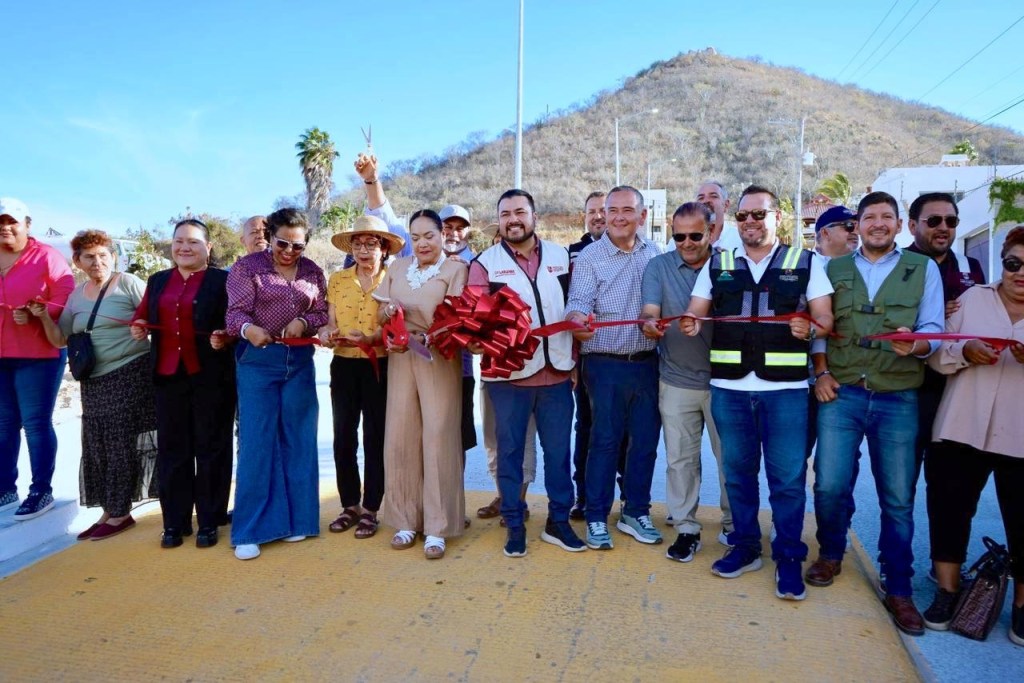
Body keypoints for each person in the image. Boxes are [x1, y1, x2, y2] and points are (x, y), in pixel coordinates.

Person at [682, 184, 833, 601]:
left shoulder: (806, 262)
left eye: (759, 214)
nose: (750, 222)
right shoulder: (718, 263)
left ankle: (789, 556)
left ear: (777, 217)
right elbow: (697, 309)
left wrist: (811, 327)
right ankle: (746, 546)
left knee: (787, 480)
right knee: (737, 475)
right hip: (729, 390)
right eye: (743, 216)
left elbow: (825, 318)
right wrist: (692, 322)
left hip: (786, 392)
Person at [809, 191, 943, 635]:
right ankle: (831, 553)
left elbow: (934, 327)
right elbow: (821, 328)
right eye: (869, 217)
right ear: (858, 226)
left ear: (900, 225)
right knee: (829, 485)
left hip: (897, 395)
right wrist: (821, 372)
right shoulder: (833, 269)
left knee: (898, 497)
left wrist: (917, 344)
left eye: (887, 216)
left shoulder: (922, 269)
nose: (878, 224)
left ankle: (898, 586)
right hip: (843, 392)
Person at [920, 225, 1024, 642]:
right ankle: (947, 592)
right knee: (949, 510)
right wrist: (964, 351)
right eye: (1013, 263)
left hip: (1019, 433)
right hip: (962, 425)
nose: (1020, 273)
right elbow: (937, 353)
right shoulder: (971, 299)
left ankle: (1022, 606)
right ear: (1002, 263)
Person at [470, 189, 584, 556]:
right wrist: (478, 339)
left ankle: (558, 522)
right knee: (510, 455)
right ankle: (514, 524)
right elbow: (475, 321)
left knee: (559, 454)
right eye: (505, 214)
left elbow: (575, 307)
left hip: (557, 374)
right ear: (498, 221)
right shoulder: (484, 264)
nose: (513, 220)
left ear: (535, 216)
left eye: (520, 212)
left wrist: (575, 360)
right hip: (508, 380)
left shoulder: (562, 256)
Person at [30, 230, 157, 540]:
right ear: (78, 261)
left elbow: (154, 317)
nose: (97, 261)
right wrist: (44, 317)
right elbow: (60, 339)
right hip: (93, 380)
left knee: (119, 442)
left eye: (103, 255)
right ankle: (109, 511)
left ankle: (121, 512)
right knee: (97, 445)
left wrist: (142, 326)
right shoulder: (76, 296)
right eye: (89, 257)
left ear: (113, 257)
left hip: (130, 372)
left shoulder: (128, 283)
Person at [224, 208, 328, 560]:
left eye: (297, 246)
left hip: (299, 362)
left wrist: (304, 321)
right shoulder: (246, 268)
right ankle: (251, 530)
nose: (289, 251)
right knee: (257, 440)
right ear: (269, 237)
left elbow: (321, 311)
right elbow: (235, 313)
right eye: (282, 243)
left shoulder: (313, 271)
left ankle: (299, 521)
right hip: (257, 361)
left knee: (299, 438)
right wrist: (248, 330)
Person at [566, 185, 663, 550]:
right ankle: (596, 516)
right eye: (612, 211)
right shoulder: (590, 257)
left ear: (642, 216)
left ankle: (635, 511)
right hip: (603, 365)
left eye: (627, 210)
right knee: (604, 442)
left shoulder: (655, 254)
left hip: (646, 363)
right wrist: (577, 321)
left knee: (645, 443)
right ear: (603, 215)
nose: (619, 217)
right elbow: (577, 303)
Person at [129, 219, 235, 549]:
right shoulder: (158, 280)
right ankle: (174, 523)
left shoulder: (224, 280)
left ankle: (210, 520)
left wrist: (225, 336)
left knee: (211, 448)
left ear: (208, 248)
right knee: (173, 451)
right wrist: (139, 325)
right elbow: (143, 315)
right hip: (168, 376)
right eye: (179, 241)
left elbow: (236, 321)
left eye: (193, 242)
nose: (184, 247)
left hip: (211, 377)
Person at [641, 203, 731, 563]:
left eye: (695, 235)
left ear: (712, 231)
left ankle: (734, 524)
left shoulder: (731, 266)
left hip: (727, 382)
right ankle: (686, 528)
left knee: (730, 459)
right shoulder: (658, 266)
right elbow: (649, 312)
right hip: (676, 380)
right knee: (680, 460)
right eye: (679, 236)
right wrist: (649, 325)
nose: (687, 243)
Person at [375, 209, 467, 560]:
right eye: (415, 237)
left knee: (438, 436)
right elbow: (379, 312)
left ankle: (438, 527)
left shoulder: (456, 269)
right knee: (400, 435)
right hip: (400, 355)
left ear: (443, 235)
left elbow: (458, 319)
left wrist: (433, 337)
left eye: (429, 235)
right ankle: (404, 520)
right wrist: (388, 315)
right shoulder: (397, 267)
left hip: (438, 356)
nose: (422, 243)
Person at [317, 216, 404, 540]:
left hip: (379, 365)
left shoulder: (393, 279)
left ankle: (371, 509)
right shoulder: (338, 279)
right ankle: (349, 505)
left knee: (375, 438)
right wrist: (327, 333)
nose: (364, 250)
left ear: (384, 249)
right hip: (343, 365)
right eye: (357, 244)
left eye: (371, 244)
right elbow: (329, 322)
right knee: (343, 437)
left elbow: (396, 325)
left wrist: (371, 339)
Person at [0, 197, 75, 519]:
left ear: (27, 225)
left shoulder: (46, 256)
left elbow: (66, 293)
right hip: (1, 355)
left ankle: (41, 491)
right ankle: (5, 489)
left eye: (12, 221)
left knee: (35, 423)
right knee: (3, 425)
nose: (5, 227)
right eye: (0, 222)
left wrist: (37, 312)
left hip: (39, 354)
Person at [906, 192, 985, 473]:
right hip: (908, 388)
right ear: (912, 226)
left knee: (948, 479)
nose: (943, 227)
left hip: (955, 388)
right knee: (900, 483)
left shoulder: (970, 267)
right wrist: (931, 313)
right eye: (934, 221)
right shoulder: (896, 266)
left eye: (950, 221)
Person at [567, 191, 606, 519]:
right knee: (587, 427)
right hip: (586, 357)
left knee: (623, 433)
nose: (598, 216)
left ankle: (625, 498)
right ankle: (582, 495)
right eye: (592, 211)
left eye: (603, 210)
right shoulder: (572, 253)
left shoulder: (642, 251)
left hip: (626, 355)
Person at [439, 204, 479, 468]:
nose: (454, 233)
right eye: (448, 227)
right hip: (425, 362)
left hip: (461, 367)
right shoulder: (421, 261)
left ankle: (455, 490)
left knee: (458, 436)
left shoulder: (478, 264)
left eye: (460, 228)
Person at [354, 153, 413, 258]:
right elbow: (381, 214)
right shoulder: (412, 246)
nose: (453, 234)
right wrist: (371, 180)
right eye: (448, 227)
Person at [696, 180, 742, 251]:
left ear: (726, 205)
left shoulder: (740, 239)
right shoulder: (683, 239)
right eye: (701, 198)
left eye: (713, 196)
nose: (706, 201)